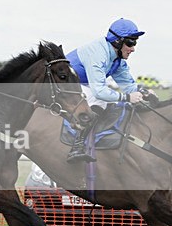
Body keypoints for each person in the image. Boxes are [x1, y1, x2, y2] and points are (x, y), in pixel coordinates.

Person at [65, 18, 157, 162]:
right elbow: (99, 91)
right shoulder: (98, 53)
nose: (133, 48)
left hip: (82, 83)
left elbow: (128, 85)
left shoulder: (117, 59)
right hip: (64, 84)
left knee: (107, 101)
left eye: (135, 42)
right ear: (117, 41)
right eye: (130, 43)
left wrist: (144, 91)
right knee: (100, 99)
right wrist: (127, 98)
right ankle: (76, 147)